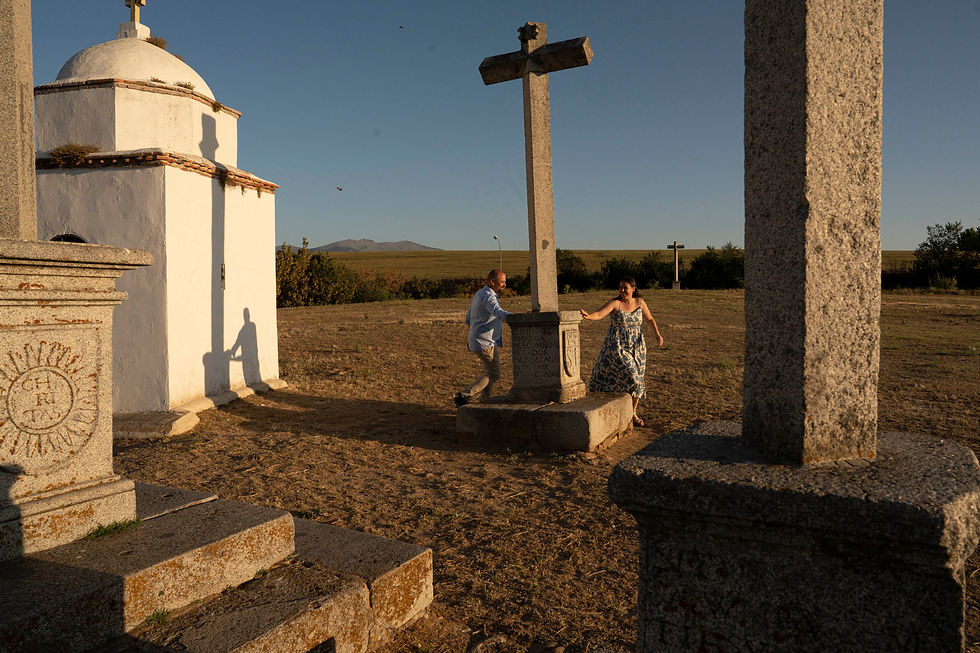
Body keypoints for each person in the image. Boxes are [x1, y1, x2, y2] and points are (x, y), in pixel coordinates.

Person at [579, 276, 664, 426]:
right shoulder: (615, 304)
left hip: (637, 347)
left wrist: (657, 334)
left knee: (638, 380)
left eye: (625, 287)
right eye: (620, 287)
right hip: (618, 346)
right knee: (632, 376)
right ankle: (611, 411)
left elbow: (650, 319)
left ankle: (632, 413)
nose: (622, 290)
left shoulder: (640, 302)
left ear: (633, 289)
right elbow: (599, 314)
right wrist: (588, 316)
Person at [454, 269, 510, 406]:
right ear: (492, 281)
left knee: (490, 372)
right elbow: (498, 312)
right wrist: (517, 318)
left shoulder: (479, 294)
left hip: (479, 340)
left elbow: (468, 319)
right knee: (494, 374)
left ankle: (486, 400)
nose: (504, 285)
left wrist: (469, 338)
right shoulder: (489, 297)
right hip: (485, 342)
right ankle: (464, 395)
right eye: (502, 282)